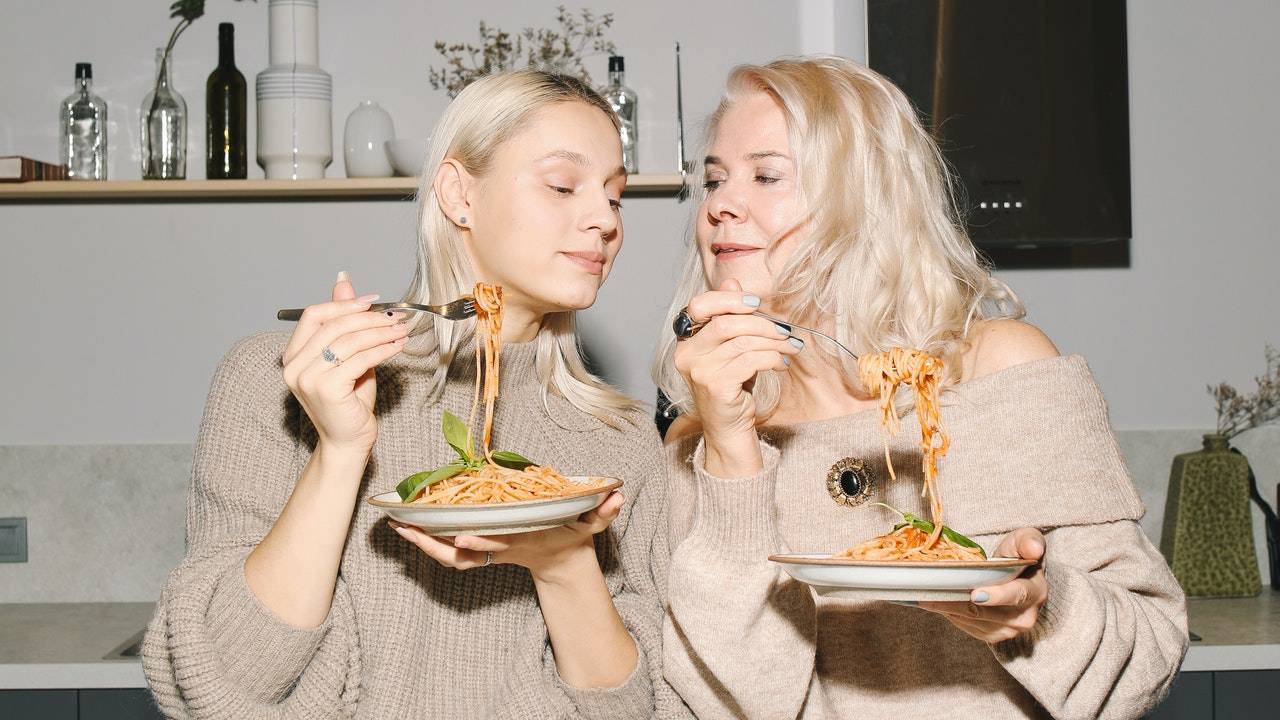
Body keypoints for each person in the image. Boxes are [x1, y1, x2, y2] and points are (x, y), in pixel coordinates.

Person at [653, 55, 1188, 719]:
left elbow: (1151, 651)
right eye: (714, 180)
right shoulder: (699, 439)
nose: (720, 206)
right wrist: (733, 453)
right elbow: (727, 702)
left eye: (766, 175)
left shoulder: (1002, 369)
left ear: (865, 198)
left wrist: (1040, 612)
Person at [143, 70, 683, 719]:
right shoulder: (279, 381)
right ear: (459, 194)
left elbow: (639, 709)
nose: (603, 220)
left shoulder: (619, 441)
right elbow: (220, 684)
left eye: (615, 196)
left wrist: (566, 561)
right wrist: (341, 452)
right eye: (563, 185)